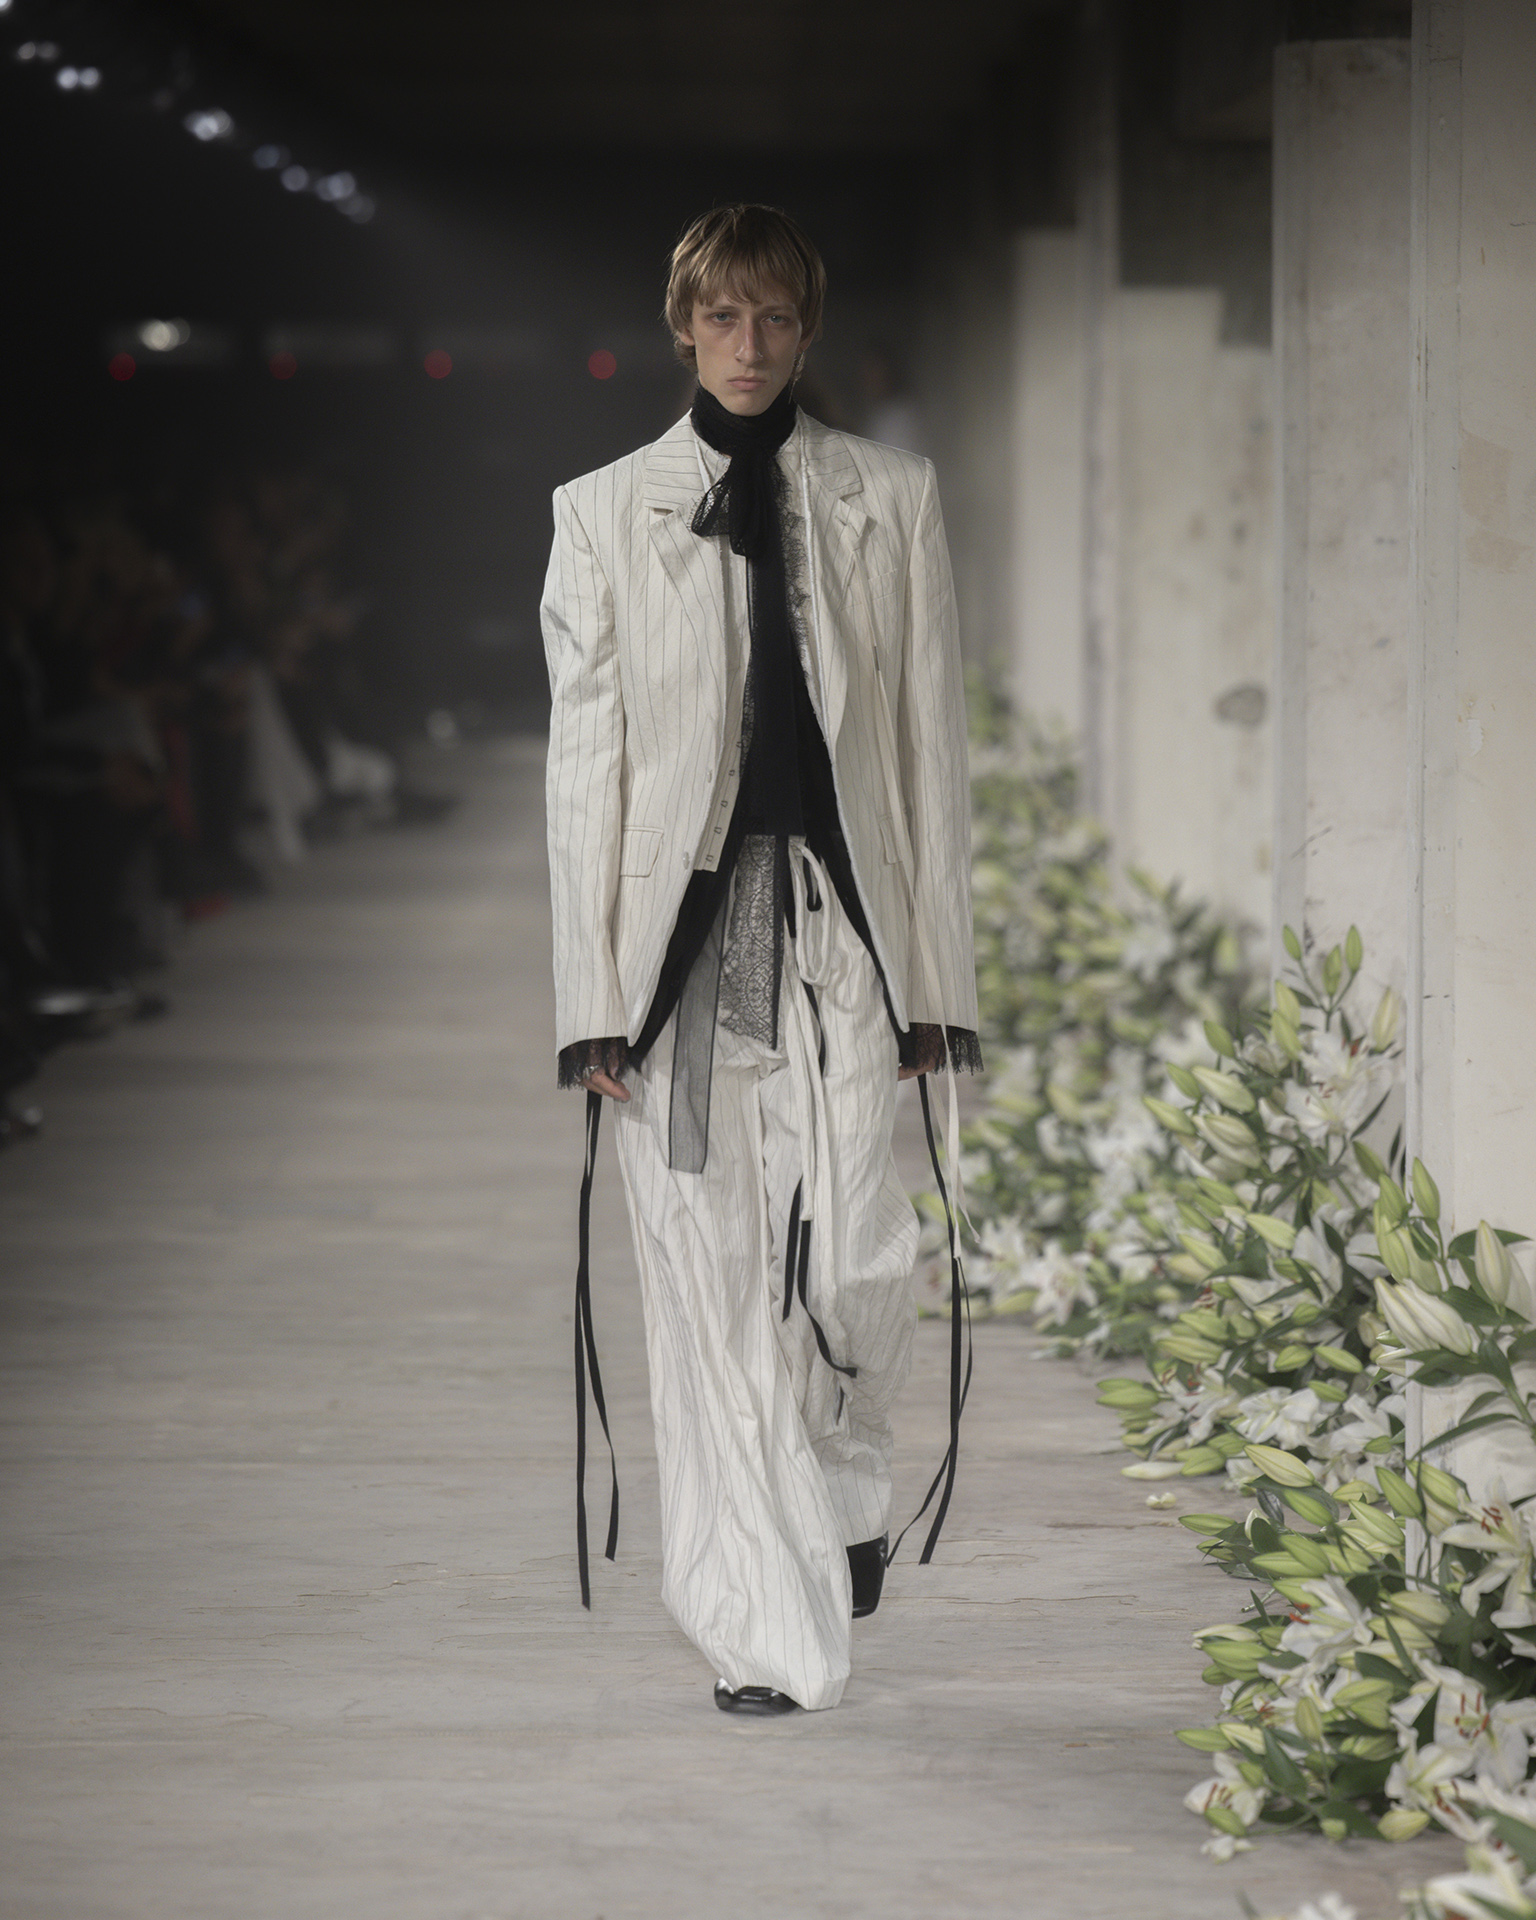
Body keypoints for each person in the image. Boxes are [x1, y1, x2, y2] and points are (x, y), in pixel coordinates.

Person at [540, 204, 979, 1716]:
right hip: (682, 956)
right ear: (683, 327)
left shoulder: (890, 495)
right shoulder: (602, 512)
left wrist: (939, 984)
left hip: (845, 930)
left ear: (808, 329)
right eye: (722, 317)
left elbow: (927, 750)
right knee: (708, 1283)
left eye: (774, 317)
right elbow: (584, 769)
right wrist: (590, 1002)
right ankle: (759, 1626)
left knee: (861, 1253)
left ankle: (842, 1485)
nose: (748, 344)